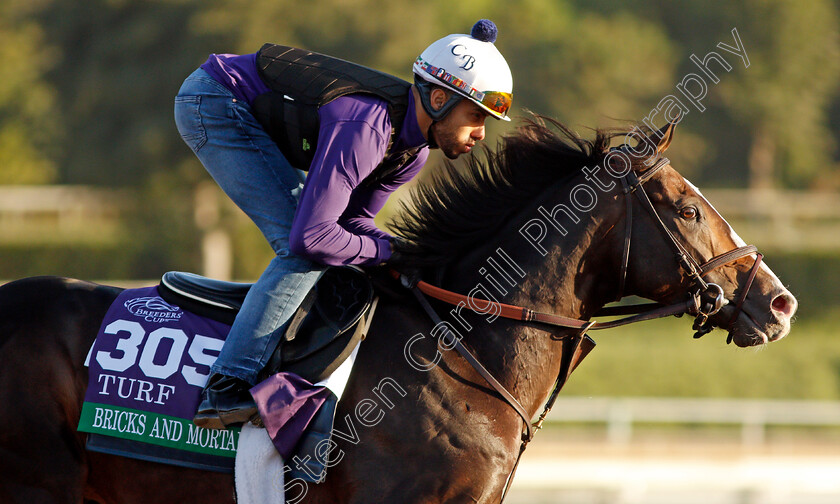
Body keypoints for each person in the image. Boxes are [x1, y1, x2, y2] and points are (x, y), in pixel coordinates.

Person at [174, 19, 513, 430]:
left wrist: (410, 252)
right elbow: (313, 238)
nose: (480, 133)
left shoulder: (412, 154)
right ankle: (227, 385)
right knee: (301, 252)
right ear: (438, 98)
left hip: (239, 104)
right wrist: (388, 251)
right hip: (214, 99)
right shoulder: (367, 127)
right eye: (475, 116)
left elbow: (353, 224)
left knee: (326, 246)